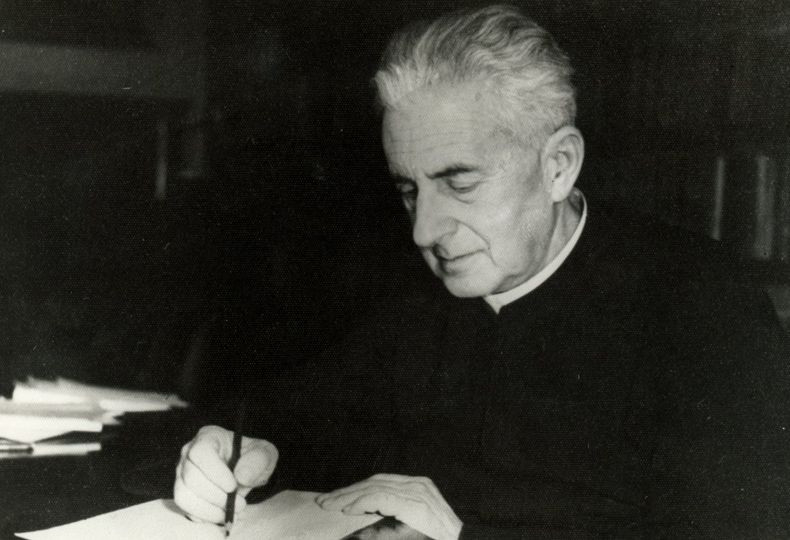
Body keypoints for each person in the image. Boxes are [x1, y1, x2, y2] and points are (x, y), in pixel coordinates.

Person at [173, 5, 790, 538]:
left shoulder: (703, 304)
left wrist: (469, 536)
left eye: (460, 183)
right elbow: (305, 416)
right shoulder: (416, 295)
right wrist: (241, 450)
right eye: (409, 190)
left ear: (558, 166)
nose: (423, 231)